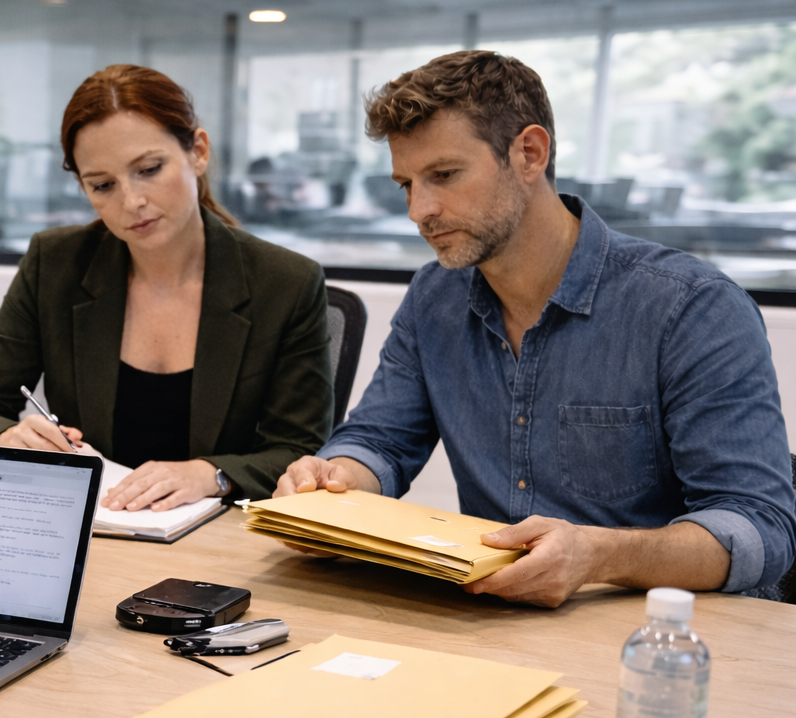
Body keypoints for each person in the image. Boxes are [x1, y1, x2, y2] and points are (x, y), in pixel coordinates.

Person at [274, 51, 795, 608]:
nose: (418, 210)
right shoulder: (434, 296)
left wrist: (600, 555)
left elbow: (761, 528)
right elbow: (381, 441)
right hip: (493, 619)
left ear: (529, 153)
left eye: (444, 175)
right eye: (406, 183)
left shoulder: (691, 309)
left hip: (660, 634)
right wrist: (334, 482)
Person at [0, 64, 335, 508]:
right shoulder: (56, 264)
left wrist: (212, 475)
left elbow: (301, 452)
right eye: (103, 185)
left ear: (198, 152)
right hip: (90, 530)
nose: (131, 202)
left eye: (148, 169)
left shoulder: (284, 282)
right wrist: (8, 436)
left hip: (221, 540)